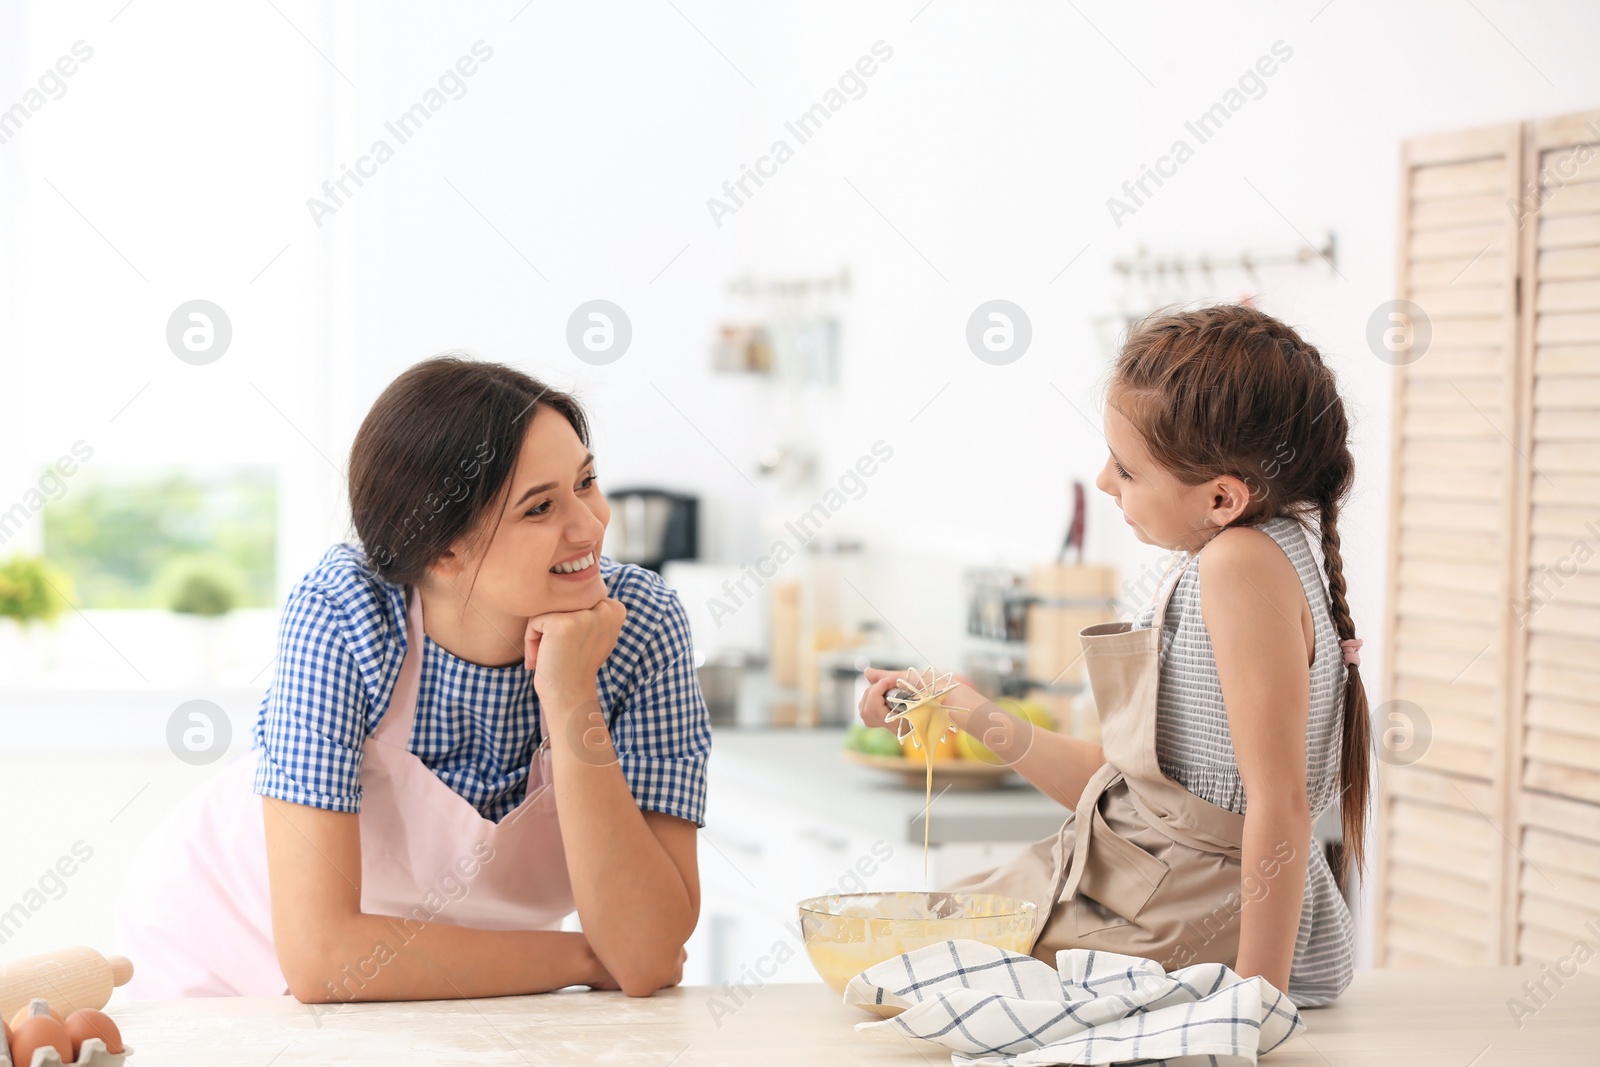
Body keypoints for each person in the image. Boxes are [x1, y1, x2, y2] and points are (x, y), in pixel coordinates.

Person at [116, 355, 710, 1002]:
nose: (591, 524)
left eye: (586, 481)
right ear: (443, 551)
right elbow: (322, 960)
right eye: (539, 508)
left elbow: (648, 955)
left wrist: (571, 696)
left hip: (473, 982)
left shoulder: (639, 623)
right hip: (225, 947)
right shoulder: (346, 613)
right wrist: (588, 957)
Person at [860, 303, 1367, 1007]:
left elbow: (1277, 808)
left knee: (895, 966)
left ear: (1222, 497)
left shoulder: (1237, 565)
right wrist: (962, 705)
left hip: (1193, 914)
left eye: (1126, 469)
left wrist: (1253, 1008)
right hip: (1160, 887)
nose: (1104, 481)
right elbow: (1127, 794)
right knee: (898, 941)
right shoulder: (1243, 551)